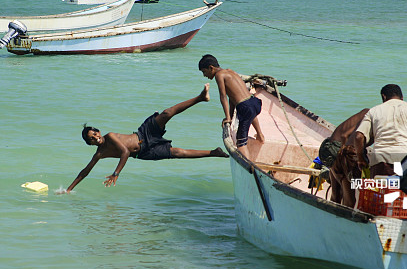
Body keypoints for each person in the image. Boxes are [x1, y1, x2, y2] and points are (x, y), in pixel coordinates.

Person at [62, 84, 228, 193]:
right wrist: (69, 189)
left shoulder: (110, 136)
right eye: (92, 139)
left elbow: (124, 152)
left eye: (95, 134)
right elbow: (85, 171)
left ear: (99, 131)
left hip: (144, 134)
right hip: (144, 153)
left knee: (167, 113)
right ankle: (214, 152)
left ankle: (200, 98)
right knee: (178, 153)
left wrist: (116, 173)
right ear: (89, 144)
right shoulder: (99, 154)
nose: (96, 138)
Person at [354, 84, 407, 176]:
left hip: (380, 162)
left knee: (380, 189)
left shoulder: (373, 111)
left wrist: (361, 159)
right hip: (405, 161)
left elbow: (358, 136)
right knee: (404, 189)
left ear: (384, 97)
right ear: (402, 97)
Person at [198, 54, 263, 158]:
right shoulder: (230, 71)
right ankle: (260, 135)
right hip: (254, 102)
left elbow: (223, 96)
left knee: (240, 142)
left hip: (245, 107)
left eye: (204, 72)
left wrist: (227, 118)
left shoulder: (219, 75)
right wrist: (231, 116)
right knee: (251, 113)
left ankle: (249, 165)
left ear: (211, 68)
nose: (204, 75)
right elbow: (232, 98)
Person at [318, 108, 369, 207]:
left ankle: (331, 216)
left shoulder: (366, 112)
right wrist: (343, 156)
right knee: (349, 198)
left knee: (336, 194)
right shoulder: (371, 116)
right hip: (337, 149)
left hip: (328, 146)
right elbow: (344, 136)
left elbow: (345, 134)